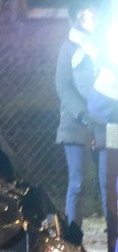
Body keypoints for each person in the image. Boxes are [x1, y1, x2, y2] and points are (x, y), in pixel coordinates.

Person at [55, 1, 106, 230]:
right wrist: (83, 114)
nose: (90, 20)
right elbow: (63, 86)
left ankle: (114, 251)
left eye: (93, 15)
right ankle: (73, 246)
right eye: (85, 16)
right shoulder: (69, 47)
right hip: (77, 123)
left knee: (111, 185)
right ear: (76, 19)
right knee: (78, 184)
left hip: (108, 124)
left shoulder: (108, 47)